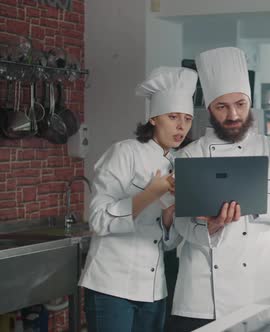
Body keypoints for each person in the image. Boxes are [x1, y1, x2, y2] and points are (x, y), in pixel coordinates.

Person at [166, 47, 270, 332]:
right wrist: (213, 225)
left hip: (258, 291)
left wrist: (251, 199)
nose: (233, 114)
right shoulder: (189, 156)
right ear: (209, 110)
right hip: (203, 297)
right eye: (222, 107)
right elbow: (181, 224)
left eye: (240, 104)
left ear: (249, 104)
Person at [79, 67, 198, 332]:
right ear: (154, 118)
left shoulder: (180, 163)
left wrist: (168, 222)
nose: (181, 126)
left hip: (154, 289)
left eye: (188, 119)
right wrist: (149, 194)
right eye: (173, 117)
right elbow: (98, 220)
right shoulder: (125, 152)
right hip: (112, 285)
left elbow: (167, 243)